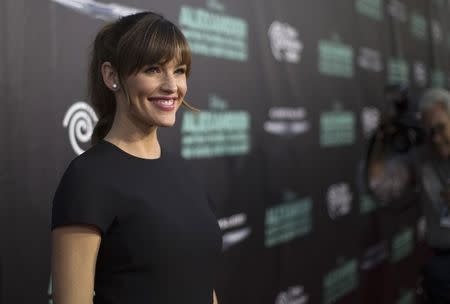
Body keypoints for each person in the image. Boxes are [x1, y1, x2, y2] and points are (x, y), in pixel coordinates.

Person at [51, 11, 221, 304]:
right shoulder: (88, 179)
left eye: (179, 70)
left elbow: (202, 286)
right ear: (111, 76)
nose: (172, 86)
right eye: (153, 69)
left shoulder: (183, 171)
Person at [418, 88, 450, 303]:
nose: (437, 138)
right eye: (431, 132)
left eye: (441, 128)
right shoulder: (423, 158)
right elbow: (379, 185)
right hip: (442, 269)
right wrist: (381, 141)